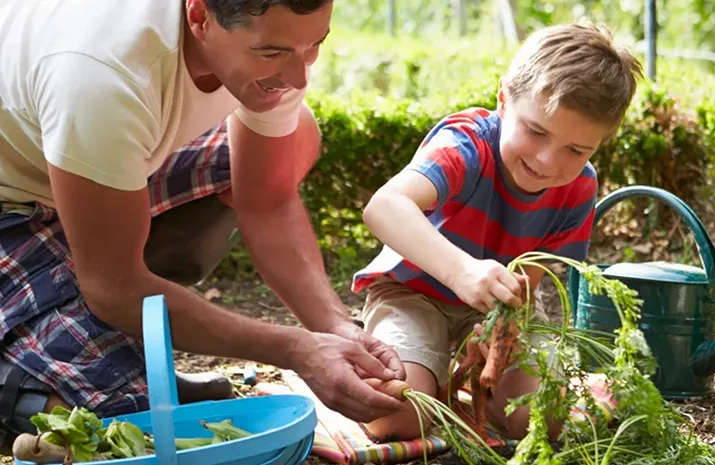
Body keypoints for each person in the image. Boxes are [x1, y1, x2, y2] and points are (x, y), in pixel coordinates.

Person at [0, 0, 407, 453]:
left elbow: (267, 202)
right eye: (272, 53)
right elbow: (114, 286)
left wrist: (335, 329)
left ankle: (87, 317)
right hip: (10, 200)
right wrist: (296, 349)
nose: (299, 76)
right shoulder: (103, 72)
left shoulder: (276, 41)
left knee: (296, 136)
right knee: (124, 423)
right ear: (198, 17)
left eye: (315, 44)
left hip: (79, 166)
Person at [351, 23, 644, 441]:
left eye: (576, 150)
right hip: (412, 292)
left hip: (498, 307)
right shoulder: (465, 145)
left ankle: (459, 381)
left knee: (541, 421)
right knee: (395, 418)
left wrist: (497, 328)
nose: (546, 161)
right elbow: (383, 207)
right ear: (503, 100)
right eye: (536, 131)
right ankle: (424, 374)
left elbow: (529, 282)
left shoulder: (580, 188)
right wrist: (460, 272)